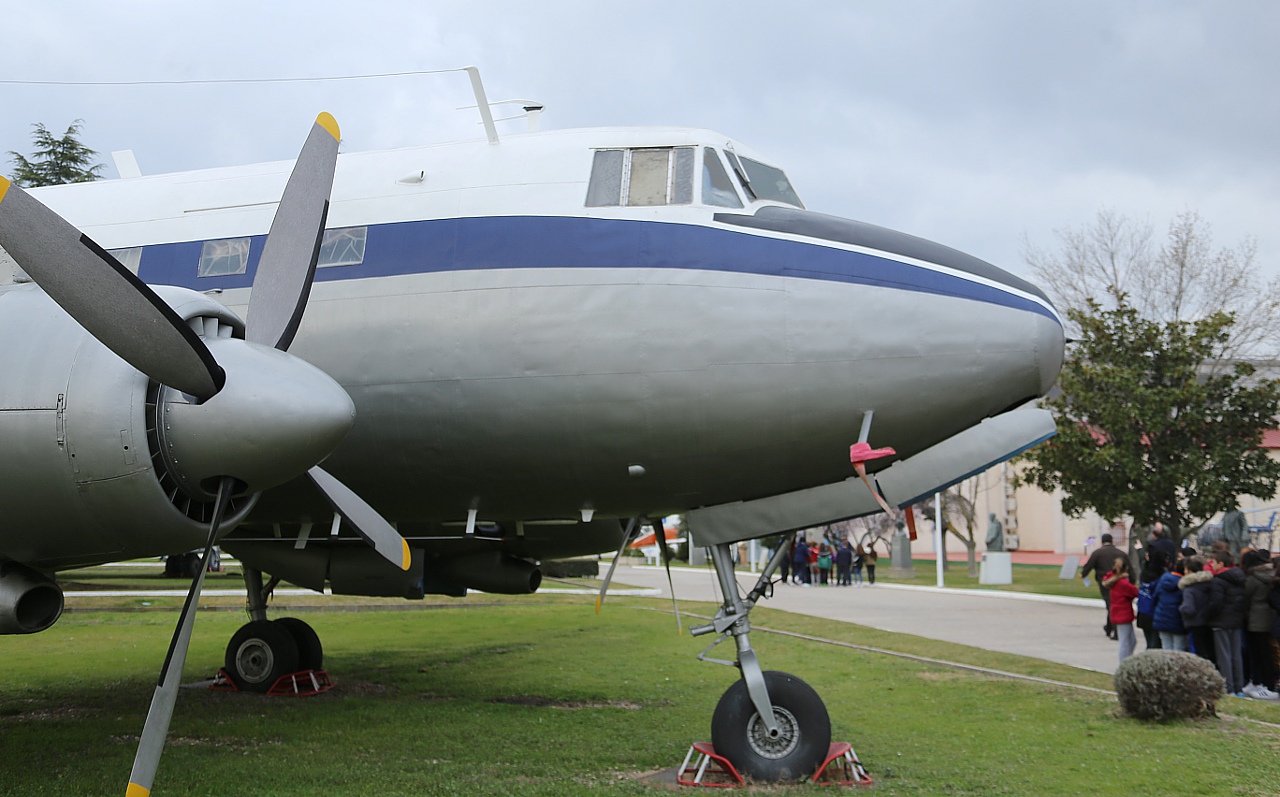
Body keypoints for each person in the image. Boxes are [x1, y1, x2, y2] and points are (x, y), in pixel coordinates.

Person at [1206, 550, 1248, 696]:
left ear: (1221, 563)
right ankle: (1238, 687)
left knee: (1224, 656)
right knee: (1236, 655)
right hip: (1236, 621)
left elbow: (1216, 603)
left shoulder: (1218, 580)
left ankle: (1228, 688)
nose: (1211, 564)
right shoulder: (1240, 578)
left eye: (1214, 562)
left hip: (1221, 621)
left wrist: (1208, 615)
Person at [1241, 549, 1278, 699]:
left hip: (1255, 619)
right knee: (1266, 652)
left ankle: (1264, 684)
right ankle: (1264, 683)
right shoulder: (1270, 575)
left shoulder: (1252, 579)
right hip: (1269, 618)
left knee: (1257, 653)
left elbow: (1245, 596)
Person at [1081, 532, 1125, 640]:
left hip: (1104, 582)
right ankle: (1109, 627)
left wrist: (1083, 574)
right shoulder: (1120, 553)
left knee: (1110, 604)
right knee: (1113, 603)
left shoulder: (1097, 553)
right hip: (1119, 581)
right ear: (1112, 541)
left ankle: (1115, 630)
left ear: (1102, 541)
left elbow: (1089, 565)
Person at [1179, 556, 1217, 665]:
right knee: (1210, 651)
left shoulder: (1189, 589)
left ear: (1190, 571)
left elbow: (1188, 609)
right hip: (1209, 622)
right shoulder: (1210, 584)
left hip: (1195, 624)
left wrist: (1181, 608)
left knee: (1198, 653)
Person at [1103, 556, 1140, 664]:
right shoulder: (1124, 583)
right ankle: (1123, 663)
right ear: (1127, 569)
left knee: (1131, 640)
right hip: (1123, 614)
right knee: (1126, 641)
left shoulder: (1112, 580)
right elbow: (1136, 592)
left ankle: (1127, 660)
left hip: (1117, 612)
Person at [1152, 559, 1189, 651]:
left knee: (1166, 648)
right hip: (1178, 621)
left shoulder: (1164, 579)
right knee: (1179, 649)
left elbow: (1155, 597)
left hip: (1162, 619)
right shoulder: (1185, 585)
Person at [1136, 549, 1167, 650]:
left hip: (1143, 610)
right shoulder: (1161, 575)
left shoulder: (1145, 572)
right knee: (1155, 644)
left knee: (1149, 642)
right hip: (1154, 613)